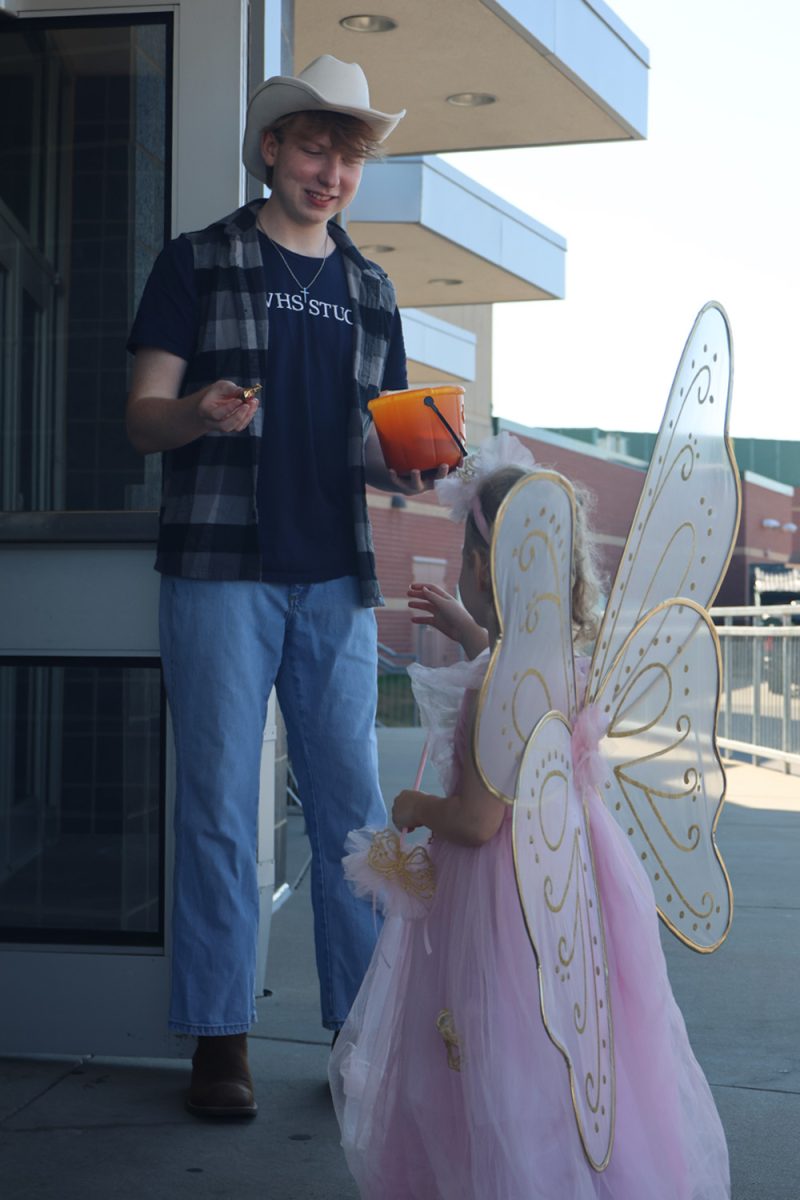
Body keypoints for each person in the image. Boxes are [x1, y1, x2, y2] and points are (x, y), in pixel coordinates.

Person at [126, 55, 446, 1118]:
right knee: (219, 808)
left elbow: (369, 442)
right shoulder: (197, 260)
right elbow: (143, 417)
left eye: (348, 155)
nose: (331, 170)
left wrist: (407, 465)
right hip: (218, 568)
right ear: (271, 148)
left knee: (352, 816)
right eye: (314, 146)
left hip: (332, 577)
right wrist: (198, 412)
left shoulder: (370, 287)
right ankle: (220, 1042)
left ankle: (358, 1037)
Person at [328, 436, 731, 1198]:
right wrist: (471, 635)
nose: (459, 572)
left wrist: (412, 806)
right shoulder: (564, 667)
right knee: (568, 1050)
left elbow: (478, 821)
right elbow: (520, 691)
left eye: (463, 558)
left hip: (500, 899)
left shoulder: (492, 692)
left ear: (486, 567)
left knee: (496, 1046)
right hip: (573, 880)